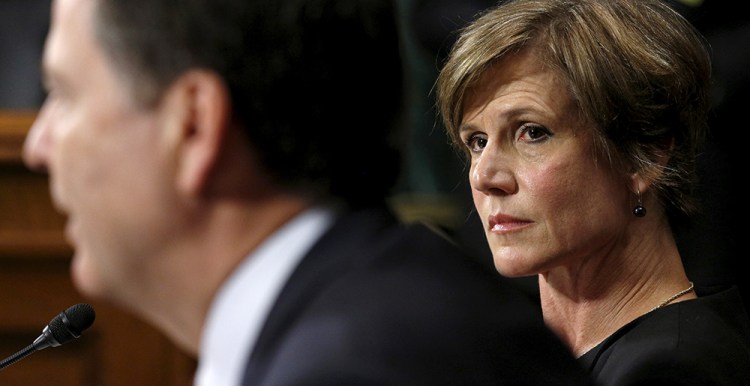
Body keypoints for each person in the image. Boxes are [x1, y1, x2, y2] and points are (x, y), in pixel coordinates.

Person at [22, 0, 593, 384]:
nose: (38, 146)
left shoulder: (362, 366)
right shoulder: (368, 316)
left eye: (64, 94)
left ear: (193, 128)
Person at [435, 0, 750, 384]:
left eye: (533, 132)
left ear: (645, 156)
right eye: (478, 141)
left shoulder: (676, 371)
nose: (484, 176)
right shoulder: (530, 359)